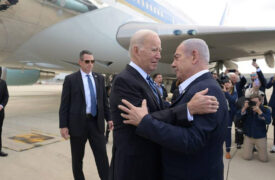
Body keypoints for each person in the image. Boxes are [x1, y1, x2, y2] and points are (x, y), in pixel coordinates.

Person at [109, 31, 219, 180]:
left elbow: (155, 114)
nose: (159, 56)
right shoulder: (125, 81)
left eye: (159, 51)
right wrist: (188, 109)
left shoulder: (147, 80)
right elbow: (142, 121)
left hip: (150, 166)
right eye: (154, 50)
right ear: (136, 50)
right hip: (135, 169)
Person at [59, 50, 113, 180]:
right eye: (87, 61)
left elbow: (103, 102)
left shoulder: (99, 78)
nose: (90, 64)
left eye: (92, 61)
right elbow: (64, 104)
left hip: (96, 124)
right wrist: (63, 125)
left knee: (102, 158)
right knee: (77, 160)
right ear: (80, 62)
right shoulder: (71, 79)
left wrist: (109, 118)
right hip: (78, 125)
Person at [239, 93, 271, 162]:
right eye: (252, 102)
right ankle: (250, 149)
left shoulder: (265, 109)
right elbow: (238, 118)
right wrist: (244, 108)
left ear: (260, 102)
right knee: (246, 157)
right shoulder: (248, 109)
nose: (254, 104)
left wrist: (259, 112)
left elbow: (268, 121)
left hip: (260, 136)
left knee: (264, 159)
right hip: (249, 136)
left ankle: (256, 149)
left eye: (255, 102)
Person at [222, 78, 238, 159]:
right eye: (225, 83)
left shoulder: (234, 92)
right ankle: (224, 150)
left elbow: (233, 100)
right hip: (223, 114)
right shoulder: (220, 91)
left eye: (229, 82)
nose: (227, 84)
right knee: (223, 132)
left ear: (232, 84)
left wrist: (226, 93)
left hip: (231, 114)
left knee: (231, 131)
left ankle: (228, 150)